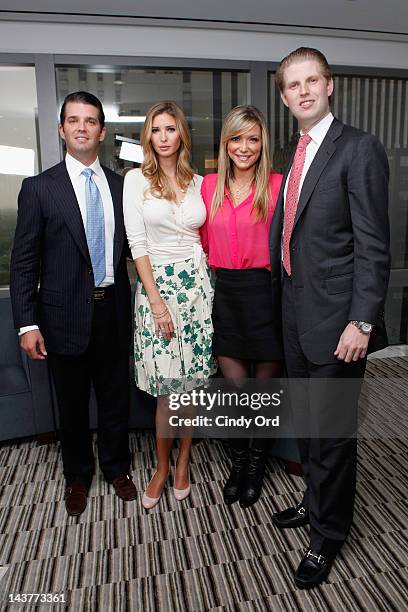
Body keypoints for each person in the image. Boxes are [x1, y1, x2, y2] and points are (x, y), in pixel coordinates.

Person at [269, 48, 390, 588]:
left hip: (340, 325)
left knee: (334, 433)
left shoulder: (358, 149)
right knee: (311, 429)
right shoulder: (295, 157)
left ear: (330, 84)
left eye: (311, 80)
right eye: (293, 85)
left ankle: (328, 536)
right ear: (284, 95)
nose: (303, 91)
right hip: (296, 318)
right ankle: (316, 504)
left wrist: (361, 322)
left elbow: (373, 247)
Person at [10, 91, 136, 517]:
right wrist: (27, 324)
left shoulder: (122, 187)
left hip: (114, 310)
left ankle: (117, 467)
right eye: (74, 120)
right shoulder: (39, 189)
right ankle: (78, 475)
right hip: (62, 316)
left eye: (91, 120)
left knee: (116, 398)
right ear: (62, 129)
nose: (82, 127)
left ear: (102, 131)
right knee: (72, 403)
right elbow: (24, 261)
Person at [123, 101, 215, 510]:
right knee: (166, 393)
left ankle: (183, 461)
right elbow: (137, 245)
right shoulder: (134, 181)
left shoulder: (200, 183)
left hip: (196, 290)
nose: (163, 137)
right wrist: (157, 304)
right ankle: (161, 466)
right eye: (156, 130)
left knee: (191, 389)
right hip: (157, 290)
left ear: (182, 135)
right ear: (148, 136)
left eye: (170, 129)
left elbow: (206, 238)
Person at [200, 105, 283, 509]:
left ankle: (255, 468)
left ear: (262, 143)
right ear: (226, 143)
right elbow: (197, 241)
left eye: (252, 139)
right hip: (226, 294)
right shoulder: (208, 186)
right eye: (237, 138)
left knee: (263, 394)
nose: (244, 147)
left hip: (265, 295)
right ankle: (237, 465)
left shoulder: (278, 186)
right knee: (234, 391)